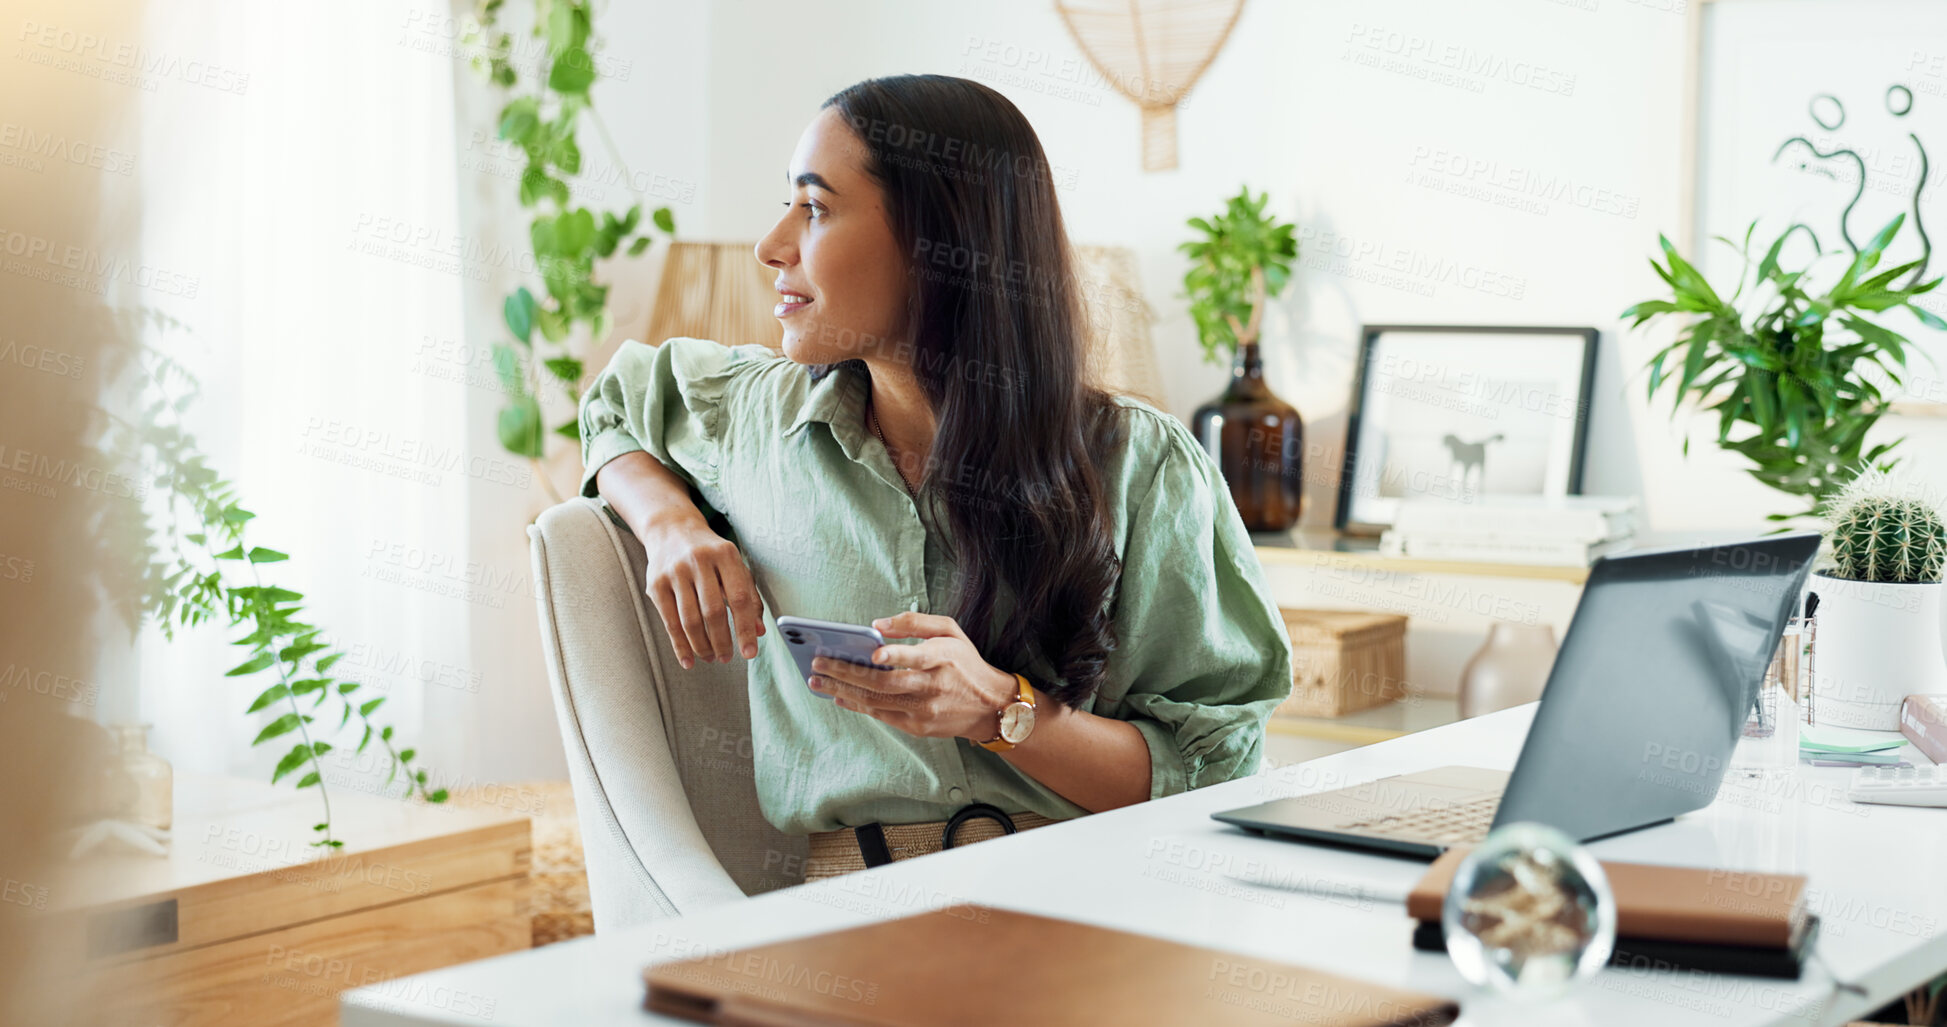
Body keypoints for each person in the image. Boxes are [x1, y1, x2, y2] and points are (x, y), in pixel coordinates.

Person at [580, 73, 1292, 882]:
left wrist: (998, 710)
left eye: (814, 207)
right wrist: (667, 522)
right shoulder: (751, 419)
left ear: (938, 239)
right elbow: (616, 404)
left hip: (1097, 896)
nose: (772, 244)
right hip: (855, 923)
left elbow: (1212, 765)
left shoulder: (1142, 465)